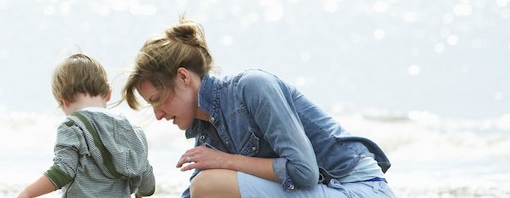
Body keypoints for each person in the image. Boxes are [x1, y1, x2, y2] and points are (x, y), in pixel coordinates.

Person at [119, 16, 396, 198]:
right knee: (203, 186)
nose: (158, 114)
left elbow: (304, 172)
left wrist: (225, 161)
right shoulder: (206, 131)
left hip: (357, 189)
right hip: (323, 191)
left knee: (207, 184)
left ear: (183, 77)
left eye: (158, 99)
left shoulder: (252, 86)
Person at [17, 53, 156, 198]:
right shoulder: (133, 132)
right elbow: (148, 182)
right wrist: (140, 194)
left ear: (64, 101)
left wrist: (27, 192)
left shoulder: (73, 126)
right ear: (108, 94)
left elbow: (63, 170)